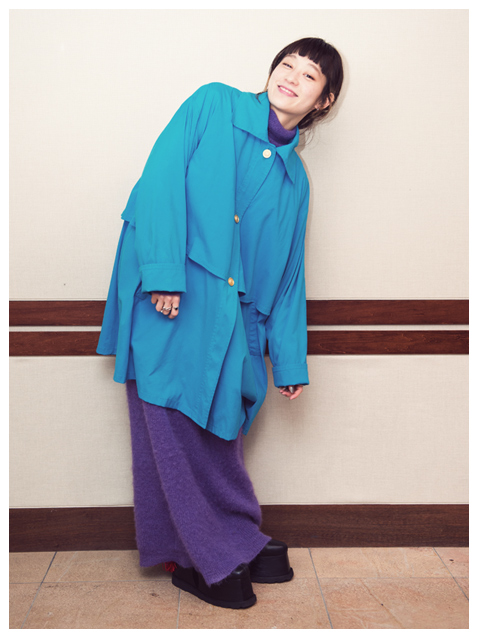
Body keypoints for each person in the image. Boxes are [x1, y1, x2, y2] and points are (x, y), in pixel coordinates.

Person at [97, 37, 344, 609]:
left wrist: (289, 358)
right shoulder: (213, 104)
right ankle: (207, 554)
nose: (290, 77)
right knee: (172, 426)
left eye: (308, 76)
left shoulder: (296, 180)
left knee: (217, 433)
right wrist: (163, 273)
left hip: (234, 324)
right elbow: (159, 181)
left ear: (323, 101)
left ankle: (230, 537)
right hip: (172, 299)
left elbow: (289, 273)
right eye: (286, 65)